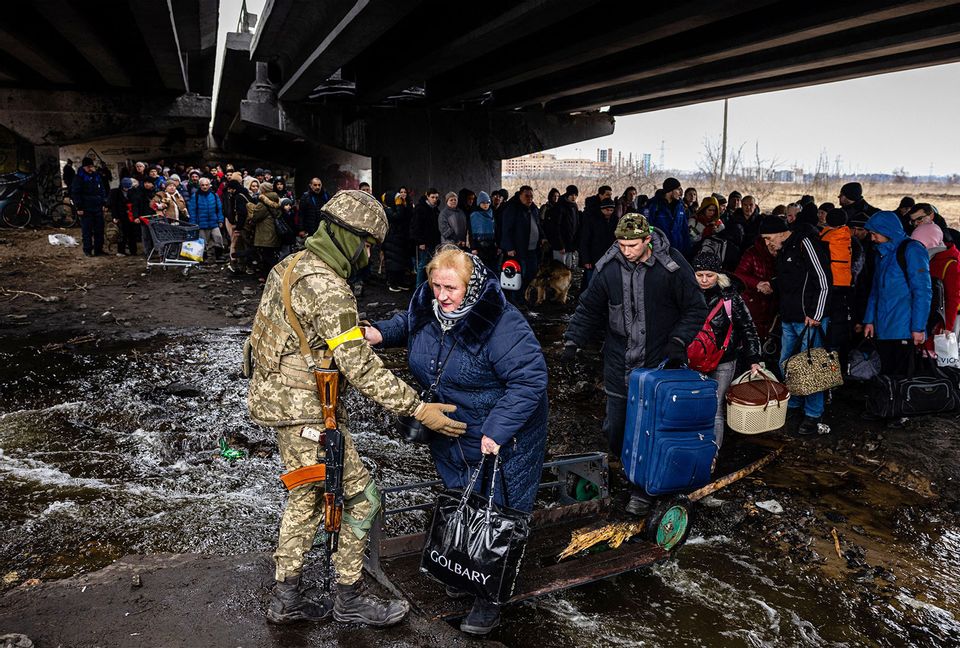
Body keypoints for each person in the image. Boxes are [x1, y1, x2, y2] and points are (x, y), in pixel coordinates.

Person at [246, 190, 465, 627]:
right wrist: (418, 409)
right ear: (349, 237)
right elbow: (359, 367)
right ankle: (349, 597)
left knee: (306, 499)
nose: (368, 254)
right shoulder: (328, 286)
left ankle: (287, 597)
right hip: (307, 412)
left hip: (282, 406)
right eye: (366, 244)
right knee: (364, 500)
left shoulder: (290, 266)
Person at [365, 245, 548, 636]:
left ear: (473, 285)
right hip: (451, 428)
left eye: (451, 287)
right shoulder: (429, 306)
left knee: (496, 510)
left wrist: (497, 431)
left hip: (503, 435)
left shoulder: (501, 323)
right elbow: (409, 323)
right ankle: (463, 568)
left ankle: (489, 597)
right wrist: (380, 332)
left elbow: (530, 380)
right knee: (461, 496)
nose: (442, 296)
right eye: (436, 286)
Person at [562, 213, 706, 515]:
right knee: (616, 427)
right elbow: (588, 307)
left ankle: (642, 490)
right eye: (622, 244)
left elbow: (695, 307)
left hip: (658, 364)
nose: (626, 250)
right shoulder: (609, 268)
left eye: (632, 245)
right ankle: (627, 469)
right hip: (618, 362)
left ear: (647, 240)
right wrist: (572, 341)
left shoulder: (672, 266)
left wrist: (678, 342)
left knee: (651, 428)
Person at [759, 216, 832, 435]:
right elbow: (790, 279)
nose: (767, 243)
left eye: (768, 238)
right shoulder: (783, 250)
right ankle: (794, 404)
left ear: (782, 232)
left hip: (809, 319)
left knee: (810, 367)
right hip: (789, 318)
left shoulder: (805, 243)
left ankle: (813, 414)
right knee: (787, 364)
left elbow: (823, 280)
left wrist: (816, 314)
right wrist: (771, 284)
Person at [692, 252, 762, 449]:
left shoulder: (731, 298)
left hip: (723, 360)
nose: (704, 280)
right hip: (693, 359)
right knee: (692, 404)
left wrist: (754, 358)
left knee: (715, 409)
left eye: (709, 275)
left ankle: (711, 454)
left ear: (719, 276)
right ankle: (692, 450)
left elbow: (748, 327)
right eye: (700, 275)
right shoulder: (686, 294)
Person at [862, 212, 932, 376]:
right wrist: (869, 320)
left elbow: (922, 291)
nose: (872, 238)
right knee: (886, 377)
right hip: (883, 327)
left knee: (901, 377)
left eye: (874, 233)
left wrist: (918, 327)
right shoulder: (882, 253)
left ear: (886, 230)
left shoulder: (912, 250)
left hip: (904, 328)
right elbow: (876, 290)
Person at [820, 208, 860, 366]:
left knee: (826, 332)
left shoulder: (824, 237)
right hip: (846, 288)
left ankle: (827, 371)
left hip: (828, 288)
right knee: (840, 328)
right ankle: (842, 367)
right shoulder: (850, 239)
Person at [911, 223, 960, 345]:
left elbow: (953, 298)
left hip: (940, 323)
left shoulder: (950, 263)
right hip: (926, 319)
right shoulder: (927, 258)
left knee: (936, 359)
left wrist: (947, 327)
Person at [500, 185, 543, 303]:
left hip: (532, 249)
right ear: (520, 196)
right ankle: (515, 301)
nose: (529, 199)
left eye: (531, 196)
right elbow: (506, 229)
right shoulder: (512, 208)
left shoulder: (533, 209)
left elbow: (538, 225)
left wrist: (542, 238)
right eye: (527, 196)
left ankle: (522, 296)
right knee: (518, 275)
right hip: (518, 249)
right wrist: (509, 247)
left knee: (531, 273)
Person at [734, 230, 778, 341]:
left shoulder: (783, 252)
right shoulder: (752, 253)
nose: (774, 249)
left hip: (774, 304)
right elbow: (739, 274)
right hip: (753, 301)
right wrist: (757, 284)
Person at [71, 157, 108, 257]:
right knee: (87, 231)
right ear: (84, 167)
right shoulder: (79, 177)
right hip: (86, 208)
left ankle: (98, 249)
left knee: (99, 230)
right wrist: (79, 207)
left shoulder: (97, 176)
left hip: (98, 207)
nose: (90, 168)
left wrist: (104, 203)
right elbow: (76, 193)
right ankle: (87, 250)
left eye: (91, 166)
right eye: (88, 167)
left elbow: (102, 190)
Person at [578, 196, 618, 291]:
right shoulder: (592, 220)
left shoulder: (615, 220)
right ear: (602, 209)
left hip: (610, 257)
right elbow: (585, 241)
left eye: (611, 210)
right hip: (594, 258)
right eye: (607, 210)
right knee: (591, 282)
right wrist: (586, 260)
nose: (609, 212)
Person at [645, 177, 689, 255]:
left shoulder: (680, 207)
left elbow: (684, 230)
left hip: (678, 251)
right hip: (660, 251)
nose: (680, 192)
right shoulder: (655, 206)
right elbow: (648, 229)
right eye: (678, 189)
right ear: (670, 190)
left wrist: (687, 251)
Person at [249, 183, 282, 283]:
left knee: (266, 256)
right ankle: (275, 274)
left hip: (264, 233)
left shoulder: (262, 202)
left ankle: (268, 275)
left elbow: (255, 217)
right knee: (272, 254)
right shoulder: (277, 199)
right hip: (274, 232)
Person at [381, 190, 413, 291]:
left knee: (400, 262)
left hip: (399, 239)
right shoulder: (387, 210)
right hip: (392, 240)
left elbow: (407, 216)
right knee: (392, 262)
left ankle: (399, 282)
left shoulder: (396, 208)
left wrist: (405, 204)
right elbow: (398, 217)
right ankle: (392, 283)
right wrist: (400, 206)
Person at [187, 177, 225, 262]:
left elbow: (219, 209)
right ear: (199, 186)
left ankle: (219, 255)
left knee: (218, 237)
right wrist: (193, 224)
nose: (205, 187)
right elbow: (192, 211)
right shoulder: (195, 196)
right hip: (200, 223)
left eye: (206, 185)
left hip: (213, 222)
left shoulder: (214, 195)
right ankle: (203, 257)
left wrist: (220, 220)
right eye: (203, 185)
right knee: (202, 241)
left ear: (209, 185)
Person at [411, 188, 441, 285]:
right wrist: (420, 242)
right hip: (424, 241)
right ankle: (419, 287)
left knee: (431, 264)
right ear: (427, 196)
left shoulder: (435, 208)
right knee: (422, 264)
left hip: (434, 241)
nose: (434, 199)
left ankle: (428, 286)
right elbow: (416, 226)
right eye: (432, 197)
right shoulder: (420, 208)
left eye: (436, 197)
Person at [549, 185, 579, 269]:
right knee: (559, 269)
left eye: (575, 195)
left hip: (570, 244)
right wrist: (560, 245)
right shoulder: (560, 206)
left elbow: (576, 225)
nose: (574, 197)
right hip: (560, 245)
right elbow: (555, 227)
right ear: (567, 194)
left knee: (568, 268)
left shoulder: (574, 206)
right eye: (571, 195)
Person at [107, 177, 139, 256]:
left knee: (132, 234)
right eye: (125, 188)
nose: (127, 189)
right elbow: (113, 205)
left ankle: (133, 251)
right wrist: (115, 217)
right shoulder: (115, 192)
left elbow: (135, 203)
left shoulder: (133, 191)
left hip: (131, 215)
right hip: (121, 215)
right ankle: (121, 251)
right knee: (122, 234)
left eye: (129, 187)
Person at [468, 190, 498, 272]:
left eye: (487, 202)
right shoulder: (474, 215)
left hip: (491, 246)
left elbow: (496, 230)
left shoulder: (492, 212)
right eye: (483, 203)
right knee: (481, 269)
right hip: (479, 247)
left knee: (492, 269)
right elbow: (471, 232)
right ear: (479, 203)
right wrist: (473, 247)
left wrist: (498, 245)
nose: (486, 205)